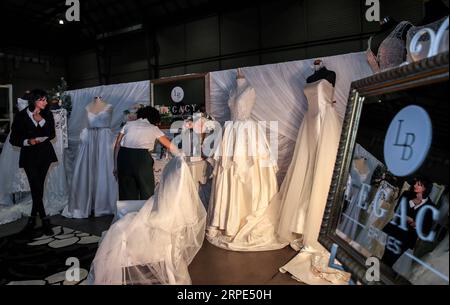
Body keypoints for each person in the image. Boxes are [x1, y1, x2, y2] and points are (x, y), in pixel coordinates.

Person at [9, 89, 57, 236]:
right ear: (34, 100)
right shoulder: (21, 116)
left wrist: (40, 121)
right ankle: (43, 219)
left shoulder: (47, 114)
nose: (46, 102)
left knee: (38, 188)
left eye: (45, 99)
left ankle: (32, 220)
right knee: (36, 187)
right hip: (29, 156)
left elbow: (52, 134)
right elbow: (13, 139)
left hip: (45, 156)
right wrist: (28, 141)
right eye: (42, 99)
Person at [113, 106, 179, 200]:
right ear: (153, 117)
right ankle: (146, 214)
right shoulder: (153, 128)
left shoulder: (127, 125)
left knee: (126, 194)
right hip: (142, 159)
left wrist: (115, 166)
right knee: (146, 192)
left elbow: (117, 145)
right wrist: (181, 155)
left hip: (124, 157)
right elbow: (169, 146)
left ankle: (127, 214)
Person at [381, 176, 435, 267]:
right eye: (415, 183)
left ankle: (377, 277)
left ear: (425, 188)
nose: (415, 185)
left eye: (419, 184)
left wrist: (415, 224)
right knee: (384, 256)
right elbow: (396, 210)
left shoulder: (431, 208)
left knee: (390, 261)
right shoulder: (406, 194)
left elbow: (426, 229)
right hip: (394, 230)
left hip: (407, 238)